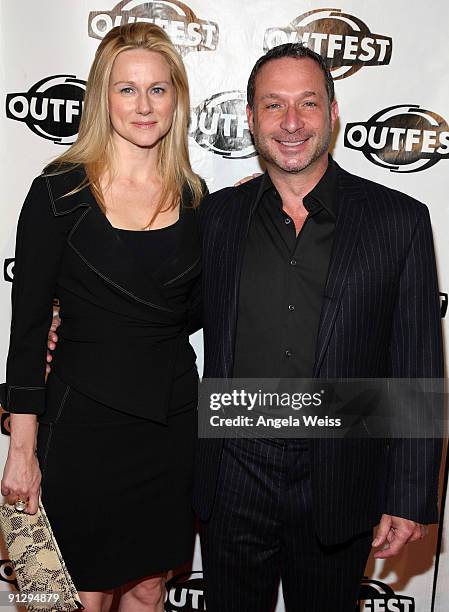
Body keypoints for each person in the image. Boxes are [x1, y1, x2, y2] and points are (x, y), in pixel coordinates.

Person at [193, 43, 444, 611]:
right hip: (233, 470)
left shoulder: (399, 220)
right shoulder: (217, 218)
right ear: (252, 118)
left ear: (333, 113)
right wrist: (71, 317)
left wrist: (408, 492)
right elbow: (164, 310)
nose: (290, 122)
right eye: (273, 105)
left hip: (340, 476)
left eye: (307, 103)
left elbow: (416, 359)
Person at [1, 22, 205, 612]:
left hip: (169, 423)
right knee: (73, 598)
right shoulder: (57, 194)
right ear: (101, 97)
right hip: (82, 425)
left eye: (158, 90)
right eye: (127, 89)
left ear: (177, 99)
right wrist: (22, 449)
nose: (144, 105)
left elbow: (190, 311)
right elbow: (28, 330)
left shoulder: (196, 200)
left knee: (148, 588)